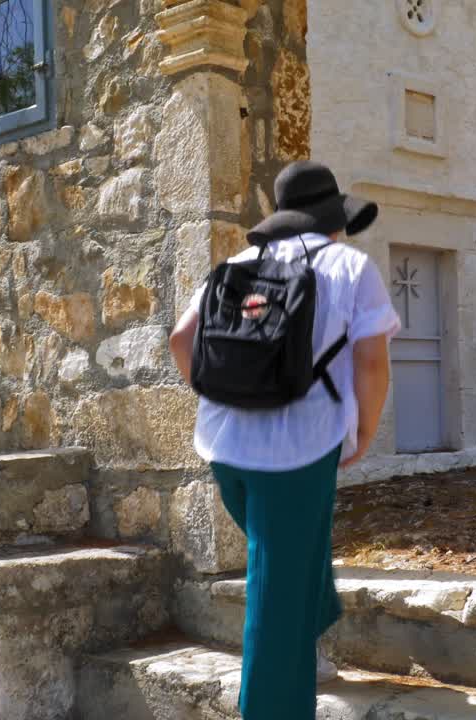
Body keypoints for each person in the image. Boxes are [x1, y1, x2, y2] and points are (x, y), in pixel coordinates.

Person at [169, 160, 401, 720]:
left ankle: (312, 604)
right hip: (299, 450)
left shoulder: (238, 263)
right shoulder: (350, 267)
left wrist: (228, 395)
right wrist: (364, 429)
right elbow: (372, 361)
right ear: (333, 220)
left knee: (288, 566)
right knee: (275, 608)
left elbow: (182, 341)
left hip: (224, 448)